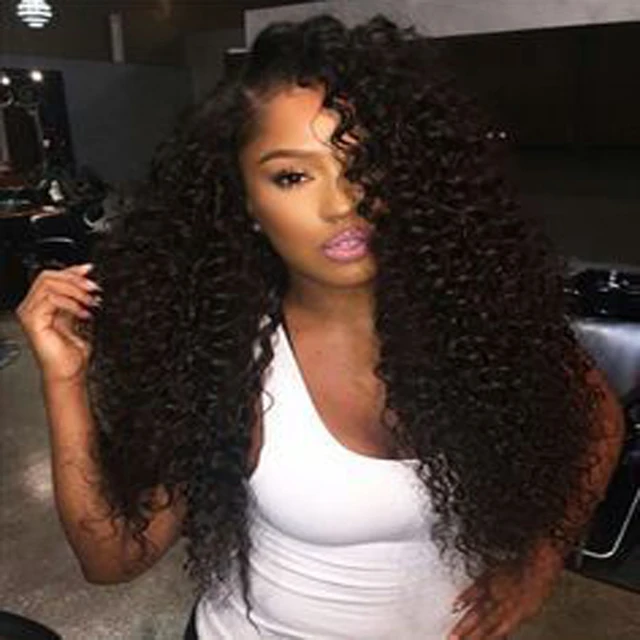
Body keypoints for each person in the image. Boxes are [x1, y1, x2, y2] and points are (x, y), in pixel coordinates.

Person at [16, 15, 625, 640]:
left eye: (363, 161)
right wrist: (64, 380)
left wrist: (542, 560)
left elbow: (600, 420)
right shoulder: (226, 357)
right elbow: (114, 557)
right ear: (247, 202)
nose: (342, 204)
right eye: (293, 176)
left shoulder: (479, 320)